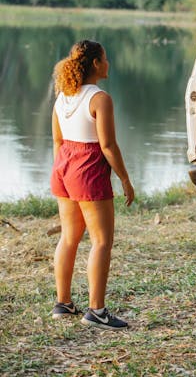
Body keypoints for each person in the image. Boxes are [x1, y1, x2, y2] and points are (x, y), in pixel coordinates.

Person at [50, 40, 135, 330]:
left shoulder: (62, 96)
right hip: (87, 167)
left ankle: (63, 303)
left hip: (64, 165)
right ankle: (96, 311)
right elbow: (108, 145)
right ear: (96, 64)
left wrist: (63, 170)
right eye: (106, 58)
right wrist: (124, 178)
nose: (108, 64)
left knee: (69, 237)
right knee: (101, 241)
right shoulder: (100, 99)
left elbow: (58, 141)